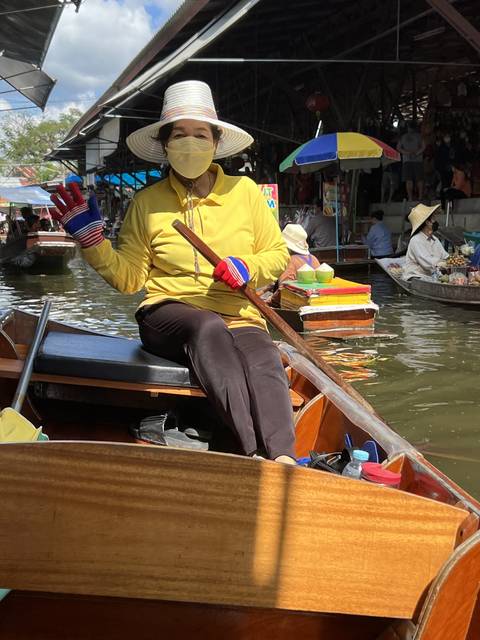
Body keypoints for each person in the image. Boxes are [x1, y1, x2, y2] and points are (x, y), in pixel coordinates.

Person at [50, 80, 295, 465]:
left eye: (200, 134)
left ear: (215, 142)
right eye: (179, 135)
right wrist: (92, 242)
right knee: (207, 327)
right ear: (165, 146)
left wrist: (249, 267)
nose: (190, 142)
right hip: (168, 314)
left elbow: (277, 254)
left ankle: (284, 460)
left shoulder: (245, 192)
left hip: (240, 312)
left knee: (264, 358)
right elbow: (130, 279)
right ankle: (254, 455)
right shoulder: (147, 202)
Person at [403, 204, 448, 281]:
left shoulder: (435, 239)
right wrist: (442, 263)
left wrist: (453, 260)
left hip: (432, 276)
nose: (436, 221)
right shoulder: (416, 240)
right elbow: (426, 262)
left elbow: (444, 256)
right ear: (427, 222)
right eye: (433, 219)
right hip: (416, 276)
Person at [397, 122, 425, 201]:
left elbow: (398, 148)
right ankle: (419, 196)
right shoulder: (419, 136)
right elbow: (423, 147)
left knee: (409, 179)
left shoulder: (403, 137)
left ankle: (410, 197)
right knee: (419, 179)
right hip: (417, 160)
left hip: (407, 160)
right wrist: (416, 153)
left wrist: (406, 153)